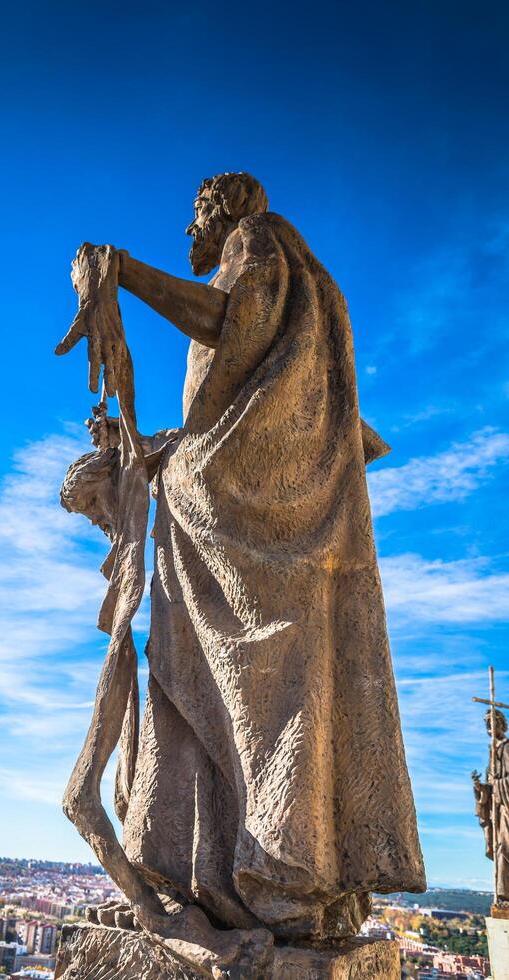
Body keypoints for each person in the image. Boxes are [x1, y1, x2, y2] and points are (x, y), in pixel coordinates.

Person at [57, 172, 425, 943]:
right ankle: (225, 870)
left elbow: (231, 320)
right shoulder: (302, 277)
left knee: (240, 684)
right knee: (222, 684)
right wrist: (155, 448)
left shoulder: (256, 247)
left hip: (234, 516)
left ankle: (267, 873)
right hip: (227, 501)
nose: (187, 234)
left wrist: (124, 272)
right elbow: (253, 395)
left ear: (224, 211)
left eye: (193, 218)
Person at [472, 708, 509, 900]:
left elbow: (505, 781)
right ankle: (503, 895)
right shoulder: (493, 750)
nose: (488, 726)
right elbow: (490, 786)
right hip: (499, 809)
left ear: (501, 724)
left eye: (491, 722)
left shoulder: (507, 747)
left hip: (507, 808)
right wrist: (481, 788)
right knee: (500, 848)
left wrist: (497, 784)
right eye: (486, 723)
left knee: (505, 848)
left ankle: (505, 895)